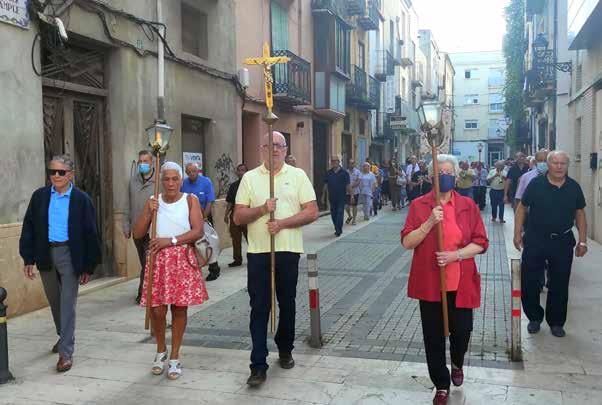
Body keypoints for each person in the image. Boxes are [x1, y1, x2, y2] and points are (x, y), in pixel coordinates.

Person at [234, 131, 319, 386]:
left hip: (288, 250)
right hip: (259, 252)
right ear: (262, 149)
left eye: (279, 145)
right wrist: (263, 209)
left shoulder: (298, 175)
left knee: (287, 303)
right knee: (260, 307)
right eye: (269, 145)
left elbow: (312, 211)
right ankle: (258, 365)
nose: (274, 149)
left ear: (285, 149)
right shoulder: (249, 178)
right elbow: (238, 217)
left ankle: (285, 348)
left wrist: (282, 223)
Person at [401, 154, 488, 405]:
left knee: (462, 331)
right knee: (433, 337)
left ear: (456, 177)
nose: (446, 176)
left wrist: (455, 255)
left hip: (461, 281)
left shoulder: (468, 206)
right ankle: (441, 384)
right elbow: (407, 242)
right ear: (431, 177)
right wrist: (429, 222)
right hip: (431, 283)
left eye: (450, 172)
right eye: (441, 172)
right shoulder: (419, 205)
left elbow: (481, 243)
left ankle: (457, 362)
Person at [20, 154, 101, 372]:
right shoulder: (40, 197)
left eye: (61, 172)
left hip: (70, 254)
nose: (56, 176)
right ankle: (63, 335)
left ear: (70, 175)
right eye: (52, 172)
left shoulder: (81, 200)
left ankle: (66, 352)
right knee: (54, 301)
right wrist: (28, 258)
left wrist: (89, 266)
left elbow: (91, 233)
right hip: (45, 253)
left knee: (67, 304)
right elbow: (29, 227)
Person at [135, 161, 208, 380]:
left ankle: (175, 356)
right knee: (157, 310)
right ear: (161, 181)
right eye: (166, 179)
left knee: (179, 309)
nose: (170, 183)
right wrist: (148, 213)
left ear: (181, 181)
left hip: (181, 259)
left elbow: (198, 230)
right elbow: (138, 233)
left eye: (175, 179)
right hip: (158, 261)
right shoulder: (153, 201)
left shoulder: (190, 200)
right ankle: (161, 349)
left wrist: (171, 240)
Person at [514, 151, 588, 338]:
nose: (559, 166)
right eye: (555, 162)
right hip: (536, 239)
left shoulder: (574, 187)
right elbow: (522, 207)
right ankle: (534, 317)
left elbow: (580, 213)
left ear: (567, 165)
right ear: (548, 164)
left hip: (562, 241)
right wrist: (517, 233)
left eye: (563, 163)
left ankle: (556, 322)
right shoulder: (536, 184)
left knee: (559, 283)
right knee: (530, 280)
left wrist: (583, 241)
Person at [124, 150, 156, 304]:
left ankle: (143, 293)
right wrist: (126, 225)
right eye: (140, 161)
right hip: (137, 229)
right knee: (144, 262)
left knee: (148, 262)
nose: (142, 164)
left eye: (145, 161)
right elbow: (127, 204)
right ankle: (148, 291)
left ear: (152, 162)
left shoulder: (159, 181)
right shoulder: (133, 181)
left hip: (153, 230)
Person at [181, 163, 221, 281]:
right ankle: (193, 269)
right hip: (188, 219)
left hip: (204, 216)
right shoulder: (184, 184)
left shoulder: (206, 182)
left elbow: (209, 201)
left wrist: (203, 218)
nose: (192, 174)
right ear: (186, 173)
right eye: (189, 172)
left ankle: (214, 269)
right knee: (192, 245)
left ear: (198, 171)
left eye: (194, 171)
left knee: (208, 243)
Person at [224, 164, 249, 267]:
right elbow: (230, 201)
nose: (241, 172)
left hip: (247, 214)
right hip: (235, 215)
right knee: (235, 239)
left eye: (243, 170)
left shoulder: (251, 184)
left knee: (250, 238)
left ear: (247, 172)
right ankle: (237, 260)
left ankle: (254, 258)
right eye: (239, 170)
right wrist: (226, 214)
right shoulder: (233, 186)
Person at [323, 155, 350, 237]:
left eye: (335, 161)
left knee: (340, 212)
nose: (334, 162)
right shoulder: (328, 173)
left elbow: (348, 185)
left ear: (339, 162)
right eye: (332, 161)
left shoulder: (344, 173)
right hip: (332, 197)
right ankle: (337, 227)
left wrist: (351, 196)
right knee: (333, 214)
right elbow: (325, 185)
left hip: (341, 197)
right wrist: (323, 196)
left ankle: (339, 229)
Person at [345, 160, 361, 226]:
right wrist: (348, 187)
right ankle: (349, 216)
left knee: (354, 205)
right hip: (347, 192)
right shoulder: (346, 172)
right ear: (348, 164)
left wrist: (351, 186)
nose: (351, 164)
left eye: (352, 163)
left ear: (354, 164)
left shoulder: (357, 172)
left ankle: (354, 219)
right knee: (346, 206)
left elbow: (358, 181)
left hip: (355, 192)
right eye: (350, 163)